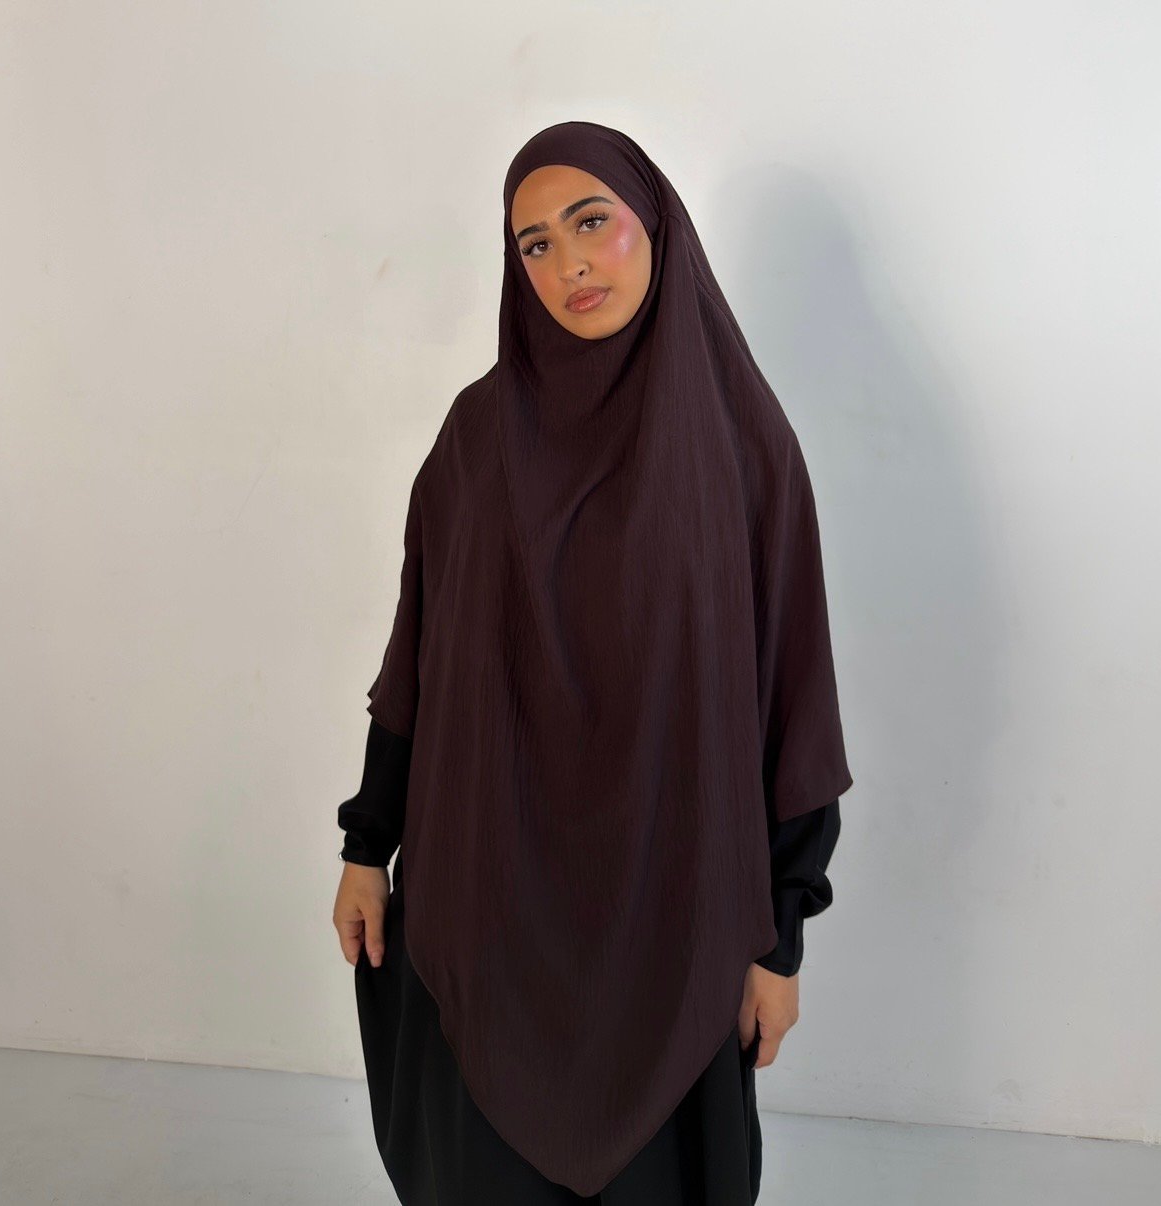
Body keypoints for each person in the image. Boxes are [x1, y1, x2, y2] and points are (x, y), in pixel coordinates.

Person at [331, 120, 853, 1205]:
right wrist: (366, 846)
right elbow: (419, 654)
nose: (568, 263)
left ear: (655, 224)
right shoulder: (477, 438)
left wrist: (781, 943)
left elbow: (793, 704)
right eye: (534, 244)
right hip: (487, 901)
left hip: (677, 915)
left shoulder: (745, 449)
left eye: (591, 223)